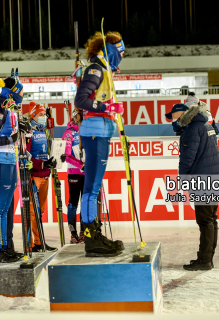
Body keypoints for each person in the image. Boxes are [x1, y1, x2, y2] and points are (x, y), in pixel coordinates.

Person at [74, 31, 125, 257]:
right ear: (110, 49)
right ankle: (90, 237)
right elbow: (80, 99)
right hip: (94, 133)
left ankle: (94, 232)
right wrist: (108, 108)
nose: (123, 54)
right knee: (91, 188)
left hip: (101, 133)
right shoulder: (96, 69)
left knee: (95, 187)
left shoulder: (105, 70)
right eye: (120, 50)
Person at [0, 76, 29, 263]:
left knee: (5, 207)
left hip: (11, 160)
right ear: (13, 93)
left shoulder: (11, 111)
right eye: (21, 92)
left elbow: (13, 135)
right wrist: (9, 140)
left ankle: (4, 247)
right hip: (0, 161)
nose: (22, 96)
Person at [177, 102, 219, 271]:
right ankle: (207, 256)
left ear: (186, 116)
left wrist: (182, 179)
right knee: (211, 219)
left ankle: (205, 260)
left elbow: (187, 158)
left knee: (205, 221)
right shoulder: (206, 125)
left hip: (203, 180)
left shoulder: (192, 130)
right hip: (214, 178)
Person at [25, 101, 57, 252]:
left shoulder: (44, 131)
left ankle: (39, 242)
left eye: (44, 115)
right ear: (33, 116)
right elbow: (27, 156)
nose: (43, 117)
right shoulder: (29, 132)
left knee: (40, 210)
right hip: (34, 176)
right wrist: (41, 165)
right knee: (32, 211)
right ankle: (30, 244)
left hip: (45, 175)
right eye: (40, 115)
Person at [61, 109, 85, 244]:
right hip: (75, 173)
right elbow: (66, 156)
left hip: (87, 172)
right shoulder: (68, 133)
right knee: (73, 203)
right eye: (80, 116)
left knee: (85, 202)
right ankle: (73, 233)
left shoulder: (86, 131)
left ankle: (83, 231)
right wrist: (81, 164)